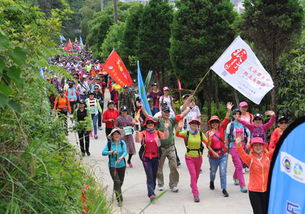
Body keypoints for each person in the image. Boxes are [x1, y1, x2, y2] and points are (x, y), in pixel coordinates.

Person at [143, 96, 192, 192]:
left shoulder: (172, 120)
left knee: (173, 166)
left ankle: (173, 185)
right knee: (159, 167)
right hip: (160, 148)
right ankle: (160, 184)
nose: (166, 113)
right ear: (162, 113)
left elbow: (182, 115)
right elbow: (148, 116)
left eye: (168, 112)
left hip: (171, 147)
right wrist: (142, 107)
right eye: (165, 112)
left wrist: (189, 108)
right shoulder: (158, 121)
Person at [236, 136, 274, 214]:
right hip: (254, 192)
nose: (258, 147)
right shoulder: (250, 159)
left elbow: (278, 149)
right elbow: (242, 154)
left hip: (266, 191)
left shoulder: (267, 156)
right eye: (255, 145)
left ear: (263, 146)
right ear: (252, 147)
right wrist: (238, 145)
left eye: (260, 145)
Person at [135, 116, 169, 201]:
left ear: (154, 124)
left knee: (154, 175)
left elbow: (165, 137)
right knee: (149, 175)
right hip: (146, 157)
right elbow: (138, 140)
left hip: (156, 157)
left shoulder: (157, 132)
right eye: (148, 123)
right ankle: (151, 193)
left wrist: (166, 129)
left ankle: (152, 189)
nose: (150, 124)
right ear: (146, 125)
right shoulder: (143, 133)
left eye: (151, 123)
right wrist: (136, 131)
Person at [176, 118, 208, 202]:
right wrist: (179, 127)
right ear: (190, 125)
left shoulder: (200, 134)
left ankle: (193, 185)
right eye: (192, 123)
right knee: (193, 175)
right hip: (189, 157)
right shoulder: (186, 133)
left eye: (196, 123)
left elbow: (208, 143)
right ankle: (195, 194)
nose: (194, 125)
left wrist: (210, 136)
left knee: (196, 175)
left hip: (199, 157)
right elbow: (177, 134)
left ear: (198, 125)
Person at [206, 102, 233, 197]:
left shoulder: (221, 128)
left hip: (223, 154)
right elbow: (207, 146)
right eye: (213, 122)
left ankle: (224, 189)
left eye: (216, 122)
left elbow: (226, 119)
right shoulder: (208, 133)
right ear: (210, 124)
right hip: (213, 156)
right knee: (213, 172)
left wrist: (229, 110)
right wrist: (210, 138)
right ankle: (211, 181)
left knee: (222, 172)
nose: (215, 124)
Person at [225, 108, 250, 193]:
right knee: (239, 166)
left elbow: (248, 134)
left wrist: (248, 142)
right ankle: (242, 185)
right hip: (234, 146)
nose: (238, 116)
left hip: (242, 146)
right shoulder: (230, 125)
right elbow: (226, 136)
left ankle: (235, 177)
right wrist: (226, 146)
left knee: (241, 163)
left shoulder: (244, 124)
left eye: (239, 114)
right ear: (233, 115)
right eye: (236, 114)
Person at [102, 129, 127, 207]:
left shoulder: (122, 143)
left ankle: (116, 189)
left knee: (120, 182)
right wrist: (111, 152)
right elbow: (103, 152)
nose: (116, 135)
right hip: (113, 166)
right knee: (117, 182)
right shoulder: (109, 144)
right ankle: (120, 199)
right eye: (114, 134)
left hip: (122, 165)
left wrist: (121, 157)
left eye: (118, 134)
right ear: (112, 136)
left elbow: (125, 152)